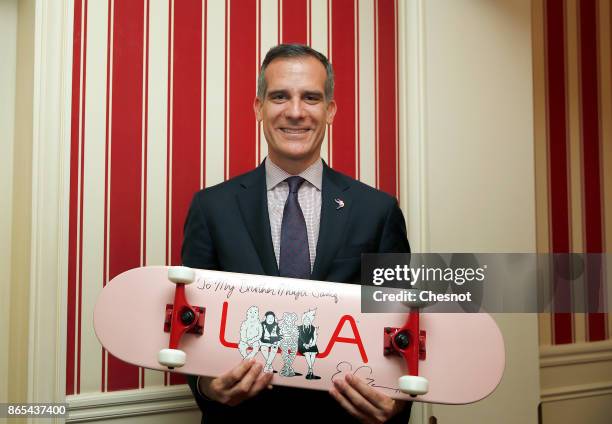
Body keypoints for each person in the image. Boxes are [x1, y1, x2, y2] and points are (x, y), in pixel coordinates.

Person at [182, 43, 412, 423]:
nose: (294, 112)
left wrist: (398, 402)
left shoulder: (378, 211)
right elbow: (191, 324)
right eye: (279, 97)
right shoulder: (211, 208)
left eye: (310, 97)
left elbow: (403, 321)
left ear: (330, 110)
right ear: (259, 108)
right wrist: (207, 388)